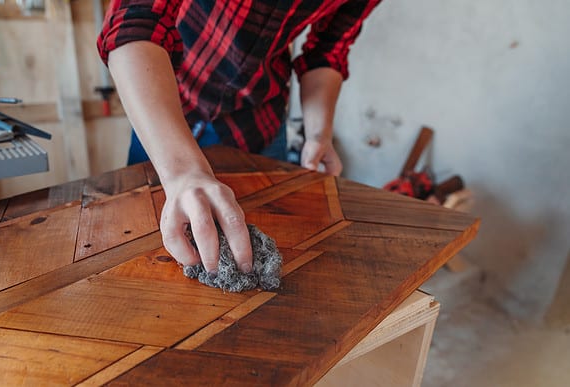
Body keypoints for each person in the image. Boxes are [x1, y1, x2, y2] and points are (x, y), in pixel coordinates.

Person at [98, 0, 381, 277]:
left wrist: (318, 134)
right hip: (166, 113)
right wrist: (183, 170)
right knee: (145, 255)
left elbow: (327, 51)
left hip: (259, 122)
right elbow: (133, 22)